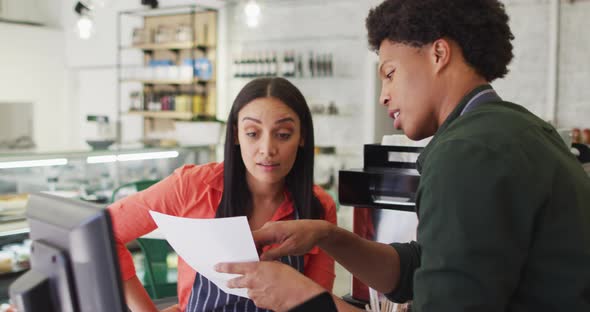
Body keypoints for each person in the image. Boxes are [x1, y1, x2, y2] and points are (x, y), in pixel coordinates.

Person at [216, 0, 590, 311]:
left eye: (390, 73)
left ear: (438, 54)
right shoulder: (514, 129)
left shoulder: (465, 153)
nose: (384, 95)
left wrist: (306, 299)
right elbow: (426, 264)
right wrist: (329, 236)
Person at [108, 77, 337, 312]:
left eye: (283, 134)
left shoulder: (318, 207)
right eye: (252, 133)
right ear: (236, 135)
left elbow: (318, 304)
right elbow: (104, 232)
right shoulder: (193, 186)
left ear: (303, 137)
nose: (267, 149)